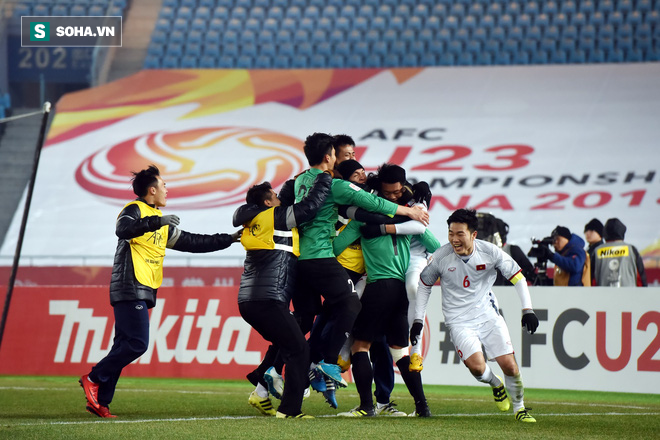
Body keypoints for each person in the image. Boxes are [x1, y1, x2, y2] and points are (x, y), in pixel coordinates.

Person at [79, 165, 239, 418]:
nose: (167, 189)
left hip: (143, 288)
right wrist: (157, 221)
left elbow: (194, 242)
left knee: (122, 345)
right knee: (137, 344)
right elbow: (123, 230)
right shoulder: (133, 210)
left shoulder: (161, 224)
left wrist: (228, 239)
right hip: (130, 285)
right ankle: (94, 377)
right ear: (152, 190)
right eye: (164, 186)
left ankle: (101, 402)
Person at [292, 133, 428, 392]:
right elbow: (370, 203)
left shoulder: (301, 181)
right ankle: (329, 363)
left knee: (310, 319)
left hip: (304, 258)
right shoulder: (336, 186)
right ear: (329, 157)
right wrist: (410, 211)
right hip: (326, 258)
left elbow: (366, 205)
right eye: (345, 156)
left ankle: (286, 376)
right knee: (350, 307)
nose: (355, 166)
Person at [411, 208, 539, 423]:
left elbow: (518, 277)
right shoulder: (442, 257)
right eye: (451, 233)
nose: (454, 239)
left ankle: (520, 408)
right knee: (478, 368)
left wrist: (528, 310)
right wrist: (417, 320)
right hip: (458, 321)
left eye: (460, 234)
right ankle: (495, 384)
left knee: (510, 366)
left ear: (473, 235)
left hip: (488, 316)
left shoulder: (490, 252)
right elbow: (424, 285)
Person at [333, 164, 439, 418]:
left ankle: (366, 407)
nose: (393, 197)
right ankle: (422, 406)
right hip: (401, 290)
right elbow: (434, 243)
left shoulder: (364, 220)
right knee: (398, 351)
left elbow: (336, 247)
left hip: (379, 286)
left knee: (360, 346)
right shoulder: (407, 219)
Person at [233, 175, 331, 418]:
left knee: (288, 344)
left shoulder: (254, 220)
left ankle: (263, 387)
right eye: (275, 196)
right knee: (299, 350)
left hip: (250, 300)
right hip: (269, 299)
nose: (280, 199)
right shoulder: (274, 216)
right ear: (267, 203)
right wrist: (324, 178)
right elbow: (309, 207)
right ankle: (289, 409)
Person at [593, 218, 647, 287]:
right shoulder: (631, 250)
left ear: (605, 233)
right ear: (622, 232)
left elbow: (592, 279)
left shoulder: (597, 251)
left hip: (603, 295)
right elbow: (640, 278)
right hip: (629, 295)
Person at [584, 218, 605, 283]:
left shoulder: (602, 250)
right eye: (586, 231)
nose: (587, 233)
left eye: (591, 230)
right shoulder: (589, 249)